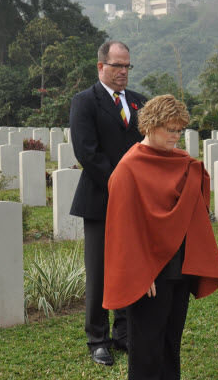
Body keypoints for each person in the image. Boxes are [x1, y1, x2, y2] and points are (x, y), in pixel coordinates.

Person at [103, 95, 218, 379]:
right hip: (149, 274)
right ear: (149, 125)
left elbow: (194, 205)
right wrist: (139, 274)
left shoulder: (182, 162)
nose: (176, 136)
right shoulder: (128, 168)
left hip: (180, 266)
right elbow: (122, 228)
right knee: (147, 349)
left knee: (171, 344)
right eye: (170, 129)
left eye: (180, 130)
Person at [69, 40, 147, 366]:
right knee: (100, 271)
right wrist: (120, 183)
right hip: (101, 198)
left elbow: (148, 147)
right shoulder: (85, 101)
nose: (123, 72)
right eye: (117, 65)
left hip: (135, 202)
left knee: (128, 267)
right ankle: (97, 338)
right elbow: (86, 150)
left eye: (127, 66)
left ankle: (124, 332)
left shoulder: (141, 102)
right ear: (101, 66)